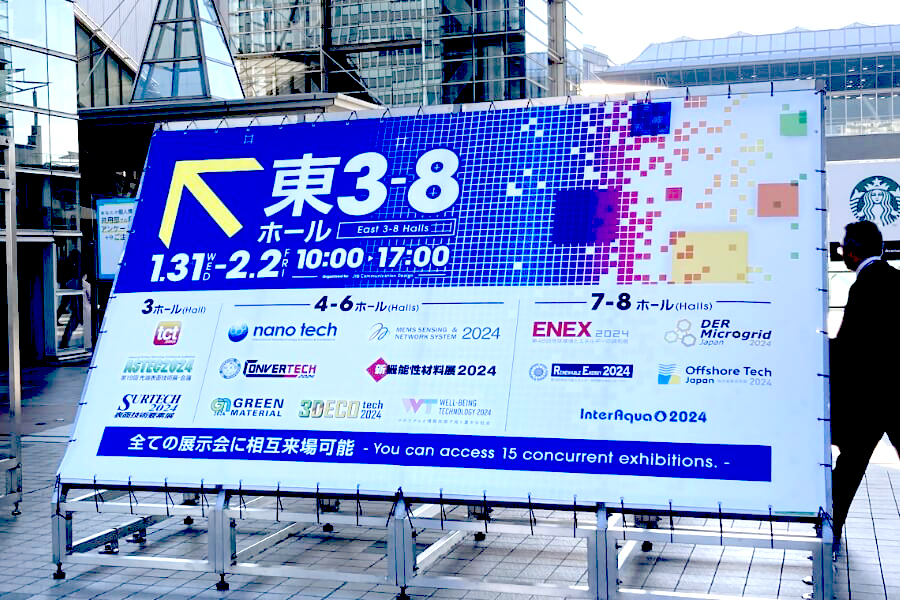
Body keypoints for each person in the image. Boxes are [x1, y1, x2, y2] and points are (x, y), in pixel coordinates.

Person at [830, 220, 900, 550]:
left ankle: (831, 529)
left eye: (844, 247)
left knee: (848, 469)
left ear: (854, 252)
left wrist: (820, 349)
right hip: (897, 394)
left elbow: (850, 346)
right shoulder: (897, 279)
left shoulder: (864, 286)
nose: (842, 253)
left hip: (869, 399)